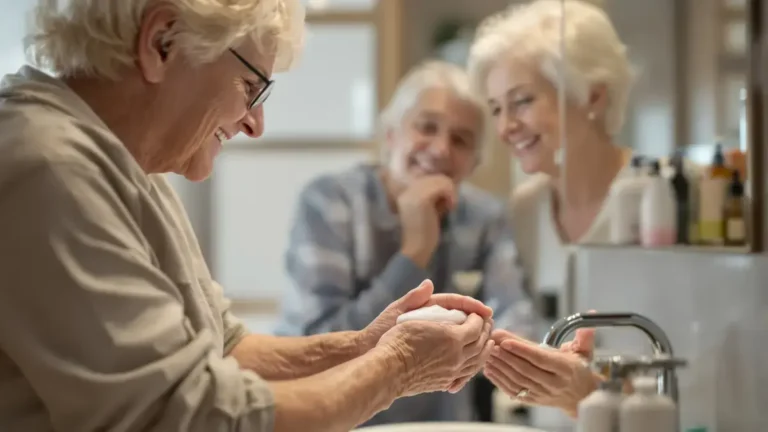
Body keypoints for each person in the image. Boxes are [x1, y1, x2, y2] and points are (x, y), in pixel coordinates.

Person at [0, 1, 496, 431]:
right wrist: (399, 363)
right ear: (161, 42)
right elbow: (190, 417)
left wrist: (365, 344)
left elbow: (225, 348)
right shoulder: (48, 165)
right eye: (250, 85)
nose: (255, 123)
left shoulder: (127, 166)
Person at [274, 60, 537, 425]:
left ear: (474, 163)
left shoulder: (484, 217)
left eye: (460, 140)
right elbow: (318, 344)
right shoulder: (330, 202)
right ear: (392, 135)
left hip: (438, 423)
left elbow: (514, 319)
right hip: (329, 418)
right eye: (426, 127)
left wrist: (527, 355)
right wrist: (415, 252)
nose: (441, 149)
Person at [467, 0, 635, 420]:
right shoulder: (525, 210)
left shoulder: (655, 199)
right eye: (496, 109)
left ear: (593, 95)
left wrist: (587, 394)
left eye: (521, 101)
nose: (504, 127)